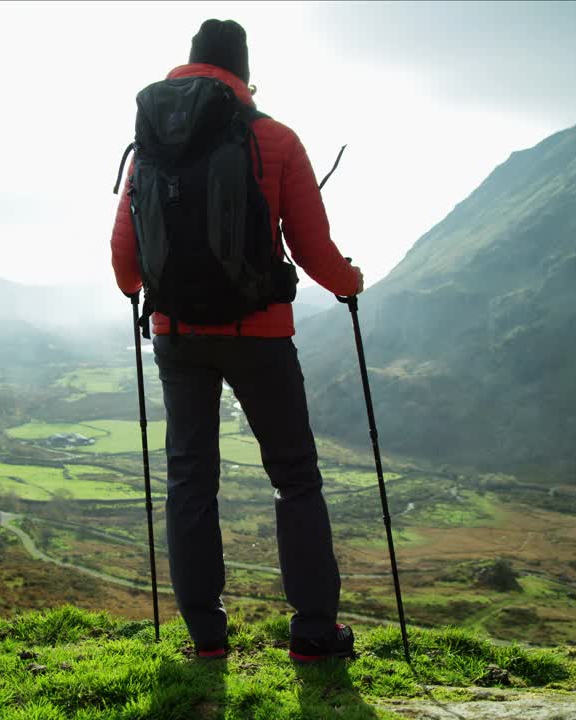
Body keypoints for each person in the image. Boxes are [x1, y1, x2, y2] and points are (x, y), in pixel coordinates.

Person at [110, 18, 365, 662]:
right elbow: (312, 251)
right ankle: (313, 632)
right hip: (260, 336)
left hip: (177, 336)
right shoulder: (275, 139)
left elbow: (124, 262)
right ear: (245, 75)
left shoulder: (150, 145)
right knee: (295, 477)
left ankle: (205, 635)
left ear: (188, 66)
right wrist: (350, 281)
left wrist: (162, 297)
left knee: (190, 479)